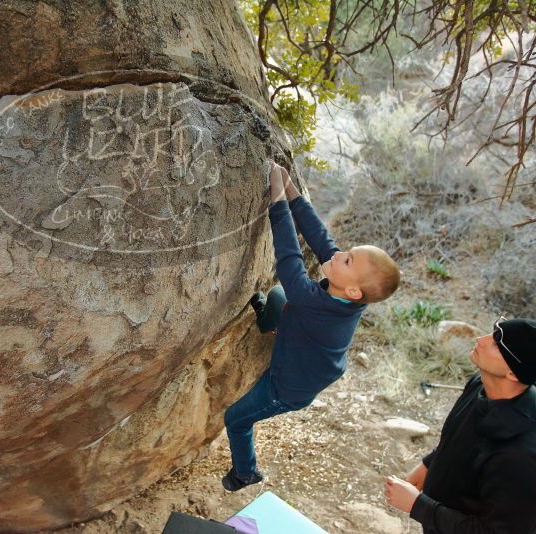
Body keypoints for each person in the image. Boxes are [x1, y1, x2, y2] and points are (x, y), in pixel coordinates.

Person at [221, 162, 401, 491]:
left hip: (287, 388)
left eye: (348, 259)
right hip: (308, 349)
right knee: (278, 298)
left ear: (353, 291)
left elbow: (289, 256)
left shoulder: (312, 303)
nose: (340, 254)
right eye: (348, 252)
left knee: (236, 419)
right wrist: (292, 191)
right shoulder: (348, 293)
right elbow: (321, 238)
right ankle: (269, 324)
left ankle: (245, 472)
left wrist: (276, 198)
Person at [385, 317, 536, 533]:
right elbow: (457, 436)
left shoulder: (521, 455)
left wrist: (418, 506)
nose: (480, 339)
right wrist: (429, 464)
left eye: (496, 343)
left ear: (513, 373)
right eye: (493, 332)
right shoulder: (480, 384)